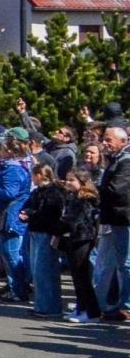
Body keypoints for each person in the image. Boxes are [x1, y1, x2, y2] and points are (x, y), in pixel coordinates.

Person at [0, 138, 33, 303]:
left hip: (11, 217)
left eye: (2, 149)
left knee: (12, 254)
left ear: (10, 152)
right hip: (5, 215)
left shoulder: (13, 170)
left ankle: (20, 290)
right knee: (7, 254)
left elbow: (10, 193)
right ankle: (15, 288)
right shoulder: (9, 168)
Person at [19, 164, 66, 318]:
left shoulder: (53, 192)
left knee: (45, 271)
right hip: (34, 231)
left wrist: (31, 214)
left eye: (33, 174)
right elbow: (29, 206)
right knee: (36, 270)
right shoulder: (37, 191)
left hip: (46, 233)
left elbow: (49, 212)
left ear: (39, 174)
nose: (32, 178)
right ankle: (40, 305)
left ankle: (50, 307)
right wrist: (25, 212)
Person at [94, 126, 130, 321]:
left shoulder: (126, 162)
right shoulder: (115, 160)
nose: (105, 143)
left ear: (123, 142)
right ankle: (112, 303)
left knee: (126, 264)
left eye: (109, 139)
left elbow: (118, 190)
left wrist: (97, 190)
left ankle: (126, 306)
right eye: (104, 139)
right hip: (114, 219)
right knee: (115, 263)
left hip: (124, 218)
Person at [59, 173, 103, 323]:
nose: (68, 182)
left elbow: (79, 220)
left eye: (72, 180)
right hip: (72, 238)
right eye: (67, 179)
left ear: (82, 182)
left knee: (83, 277)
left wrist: (62, 224)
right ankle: (80, 308)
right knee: (76, 278)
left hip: (83, 238)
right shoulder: (73, 197)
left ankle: (92, 312)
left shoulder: (86, 199)